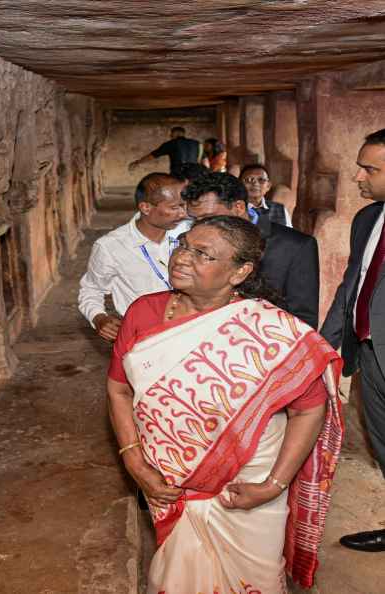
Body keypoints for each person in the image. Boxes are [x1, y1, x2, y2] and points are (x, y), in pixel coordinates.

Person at [108, 215, 343, 593]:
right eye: (183, 245)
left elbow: (308, 409)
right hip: (170, 478)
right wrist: (134, 461)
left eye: (203, 254)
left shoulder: (270, 331)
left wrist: (272, 485)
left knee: (255, 576)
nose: (183, 258)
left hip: (247, 483)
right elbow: (118, 390)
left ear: (240, 272)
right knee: (177, 571)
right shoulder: (144, 312)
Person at [321, 128, 385, 552]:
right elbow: (352, 285)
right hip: (369, 351)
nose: (359, 177)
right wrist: (324, 344)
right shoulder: (367, 219)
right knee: (383, 445)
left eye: (370, 168)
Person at [182, 171, 319, 328]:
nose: (200, 226)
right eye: (195, 219)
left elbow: (303, 319)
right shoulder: (191, 242)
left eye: (208, 218)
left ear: (239, 207)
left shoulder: (295, 246)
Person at [78, 173, 187, 341]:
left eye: (184, 206)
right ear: (146, 208)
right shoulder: (111, 246)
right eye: (174, 208)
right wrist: (99, 318)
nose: (182, 214)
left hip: (189, 328)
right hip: (144, 337)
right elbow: (91, 290)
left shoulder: (188, 236)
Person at [128, 127, 201, 175]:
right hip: (194, 174)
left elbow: (153, 155)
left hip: (178, 174)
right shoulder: (197, 143)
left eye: (171, 134)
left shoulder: (171, 143)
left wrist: (138, 162)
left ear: (176, 133)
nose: (170, 136)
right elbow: (202, 160)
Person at [240, 163, 293, 227]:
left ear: (268, 186)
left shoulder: (279, 209)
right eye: (249, 179)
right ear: (239, 184)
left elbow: (288, 234)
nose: (255, 183)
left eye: (261, 180)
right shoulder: (232, 207)